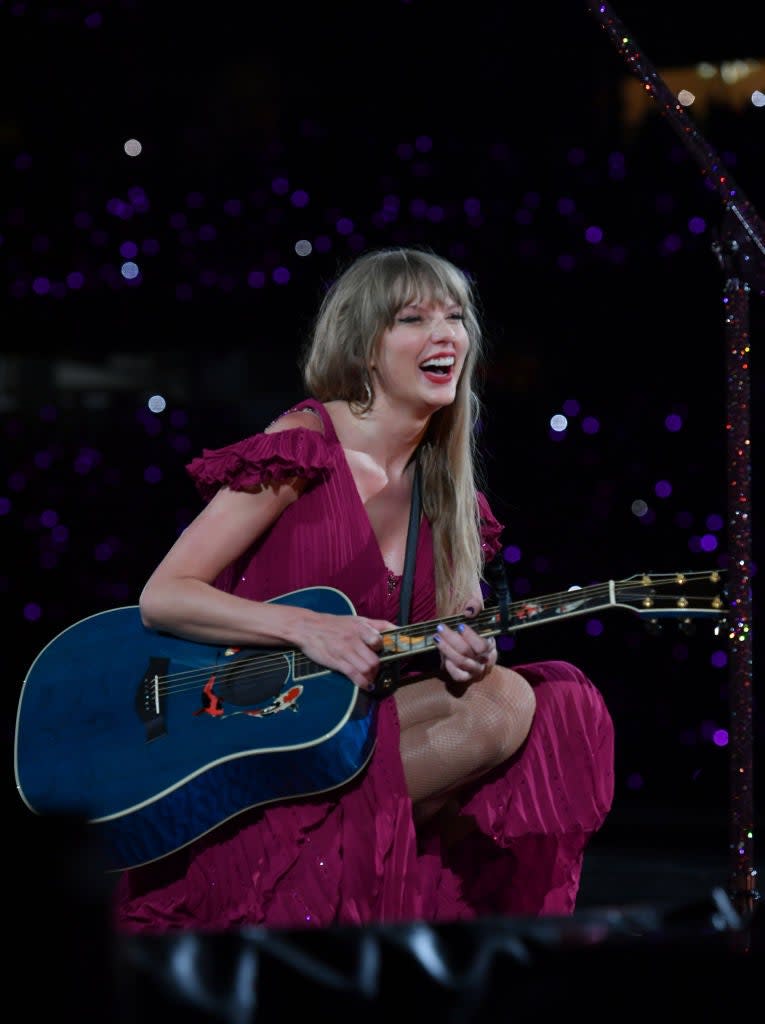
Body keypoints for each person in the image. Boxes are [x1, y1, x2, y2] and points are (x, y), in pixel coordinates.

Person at [113, 245, 615, 933]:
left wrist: (463, 657)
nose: (445, 335)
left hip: (348, 743)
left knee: (538, 703)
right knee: (507, 706)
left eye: (455, 317)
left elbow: (431, 662)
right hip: (244, 745)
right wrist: (304, 627)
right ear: (364, 347)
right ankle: (276, 843)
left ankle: (331, 847)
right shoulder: (302, 448)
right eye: (413, 318)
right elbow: (164, 595)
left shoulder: (450, 500)